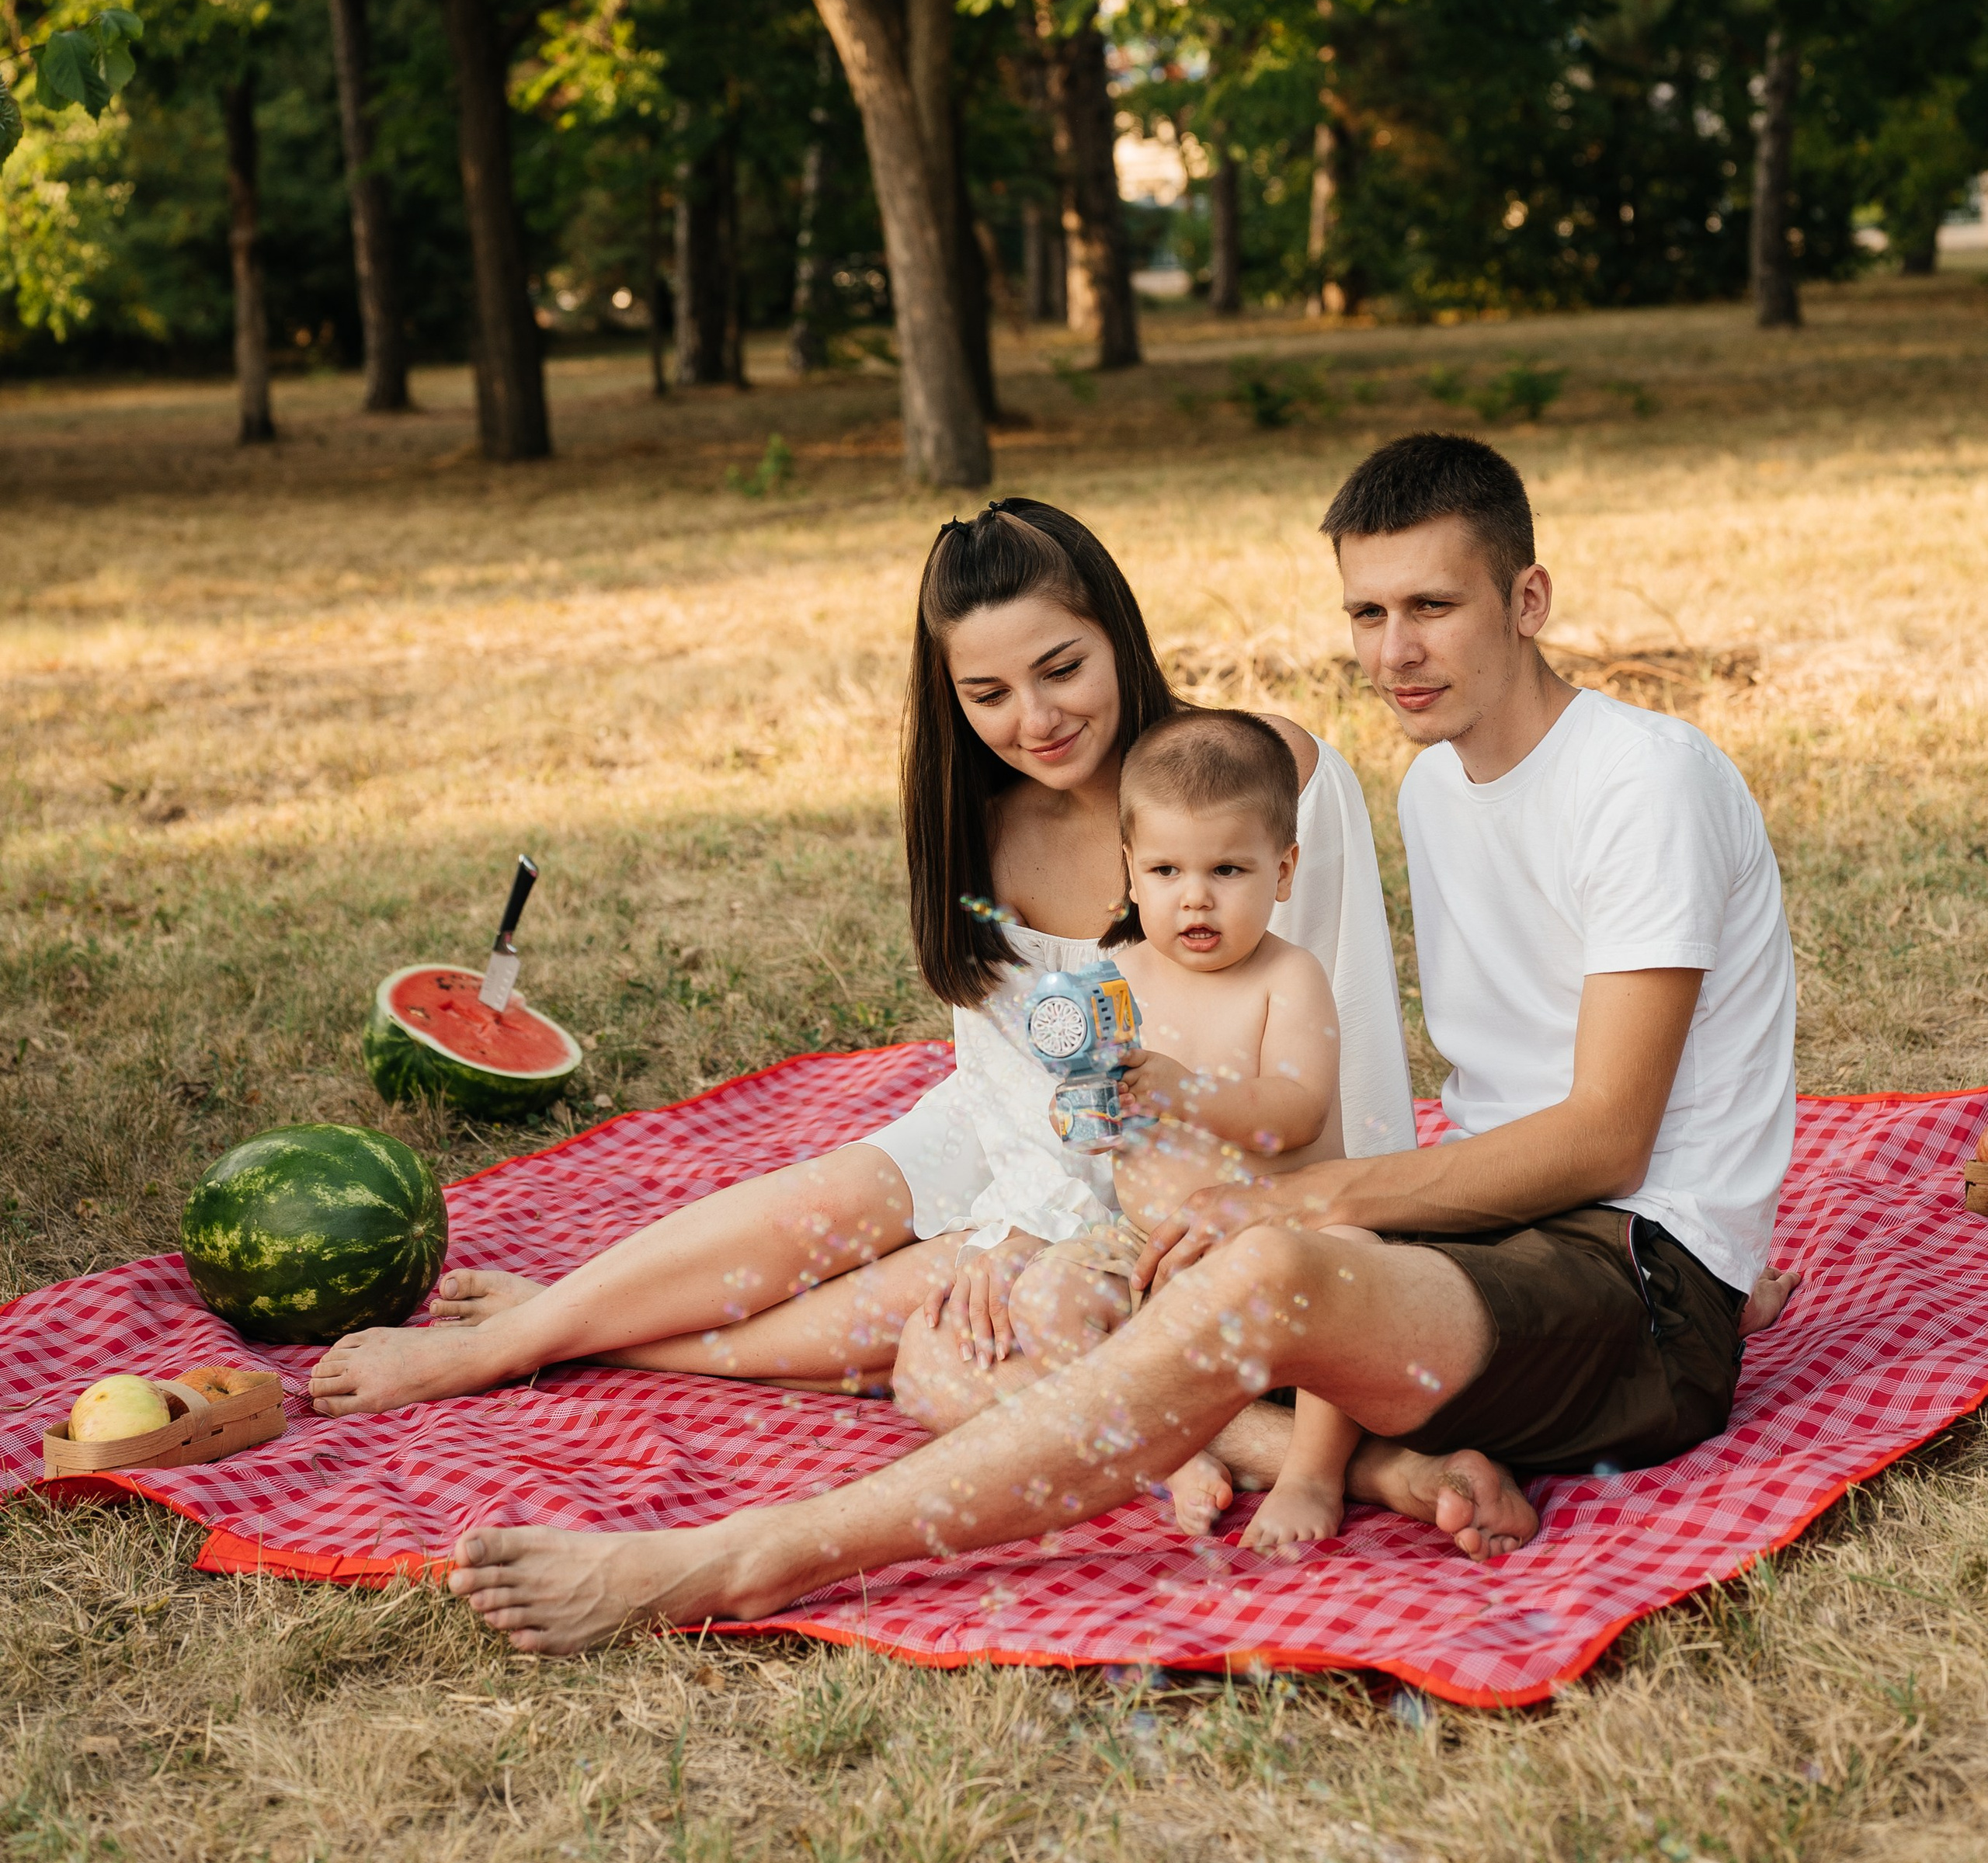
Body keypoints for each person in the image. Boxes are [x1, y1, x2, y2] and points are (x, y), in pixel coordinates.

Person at [440, 429, 1804, 1658]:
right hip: (1484, 1243)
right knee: (964, 1339)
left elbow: (1605, 1135)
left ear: (1529, 598)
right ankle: (1343, 1445)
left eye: (1434, 606)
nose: (1397, 651)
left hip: (1637, 1281)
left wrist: (1303, 1202)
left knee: (1249, 1262)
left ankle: (733, 1559)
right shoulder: (1442, 780)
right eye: (1369, 612)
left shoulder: (1644, 780)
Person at [306, 496, 1417, 1420]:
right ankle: (552, 1321)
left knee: (943, 1294)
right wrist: (1021, 1204)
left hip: (1192, 1172)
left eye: (1060, 668)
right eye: (986, 695)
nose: (1035, 719)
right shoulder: (990, 826)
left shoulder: (1267, 782)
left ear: (1115, 633)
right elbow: (1003, 1080)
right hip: (1021, 1124)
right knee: (824, 1200)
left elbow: (1343, 1056)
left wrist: (1038, 1236)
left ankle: (564, 1345)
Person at [892, 706, 1361, 1554]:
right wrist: (1088, 1107)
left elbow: (1298, 1110)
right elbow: (1085, 1100)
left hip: (1271, 1231)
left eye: (1227, 868)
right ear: (1130, 876)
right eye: (1167, 869)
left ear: (1282, 870)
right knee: (1047, 1299)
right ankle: (1170, 1447)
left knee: (1353, 1251)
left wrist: (1188, 1092)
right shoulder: (1120, 975)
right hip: (1148, 1240)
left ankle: (1312, 1472)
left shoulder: (1287, 977)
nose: (1196, 896)